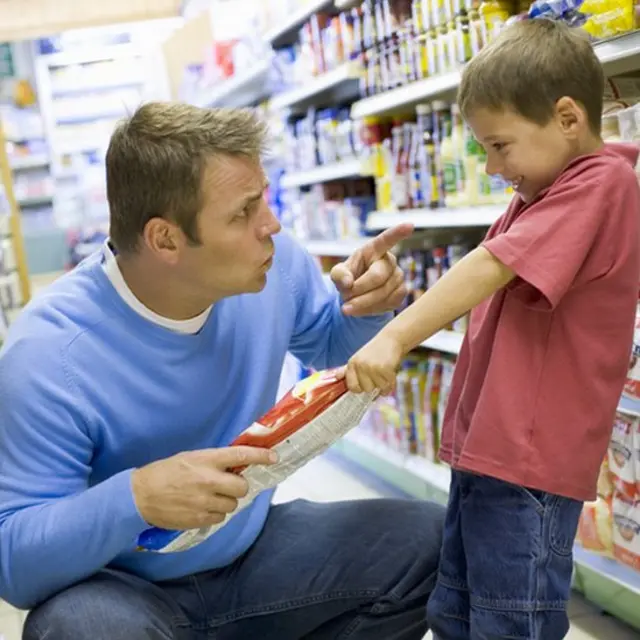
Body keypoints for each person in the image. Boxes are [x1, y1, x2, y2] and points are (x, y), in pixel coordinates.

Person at [0, 103, 445, 639]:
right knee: (79, 629)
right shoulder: (49, 356)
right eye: (244, 212)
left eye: (264, 198)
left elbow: (329, 344)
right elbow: (13, 564)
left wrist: (365, 308)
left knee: (428, 540)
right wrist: (136, 497)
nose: (272, 224)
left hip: (251, 552)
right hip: (121, 586)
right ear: (165, 239)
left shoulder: (274, 266)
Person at [344, 19, 640, 640]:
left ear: (566, 117)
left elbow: (491, 263)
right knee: (454, 610)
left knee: (512, 622)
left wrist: (395, 336)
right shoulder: (543, 185)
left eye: (499, 145)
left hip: (528, 459)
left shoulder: (600, 183)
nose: (491, 164)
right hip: (490, 447)